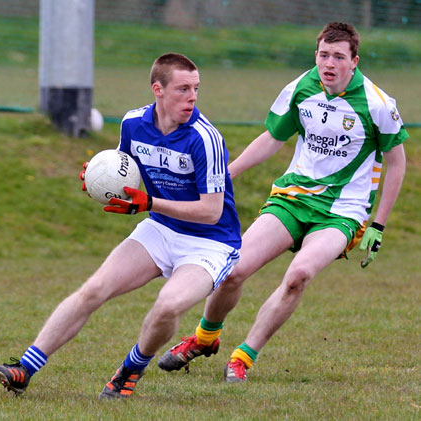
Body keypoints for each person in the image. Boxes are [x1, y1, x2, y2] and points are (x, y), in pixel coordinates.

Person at [158, 22, 408, 383]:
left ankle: (243, 356)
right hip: (292, 199)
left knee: (299, 276)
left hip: (342, 212)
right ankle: (204, 338)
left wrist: (378, 225)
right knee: (234, 270)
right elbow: (273, 139)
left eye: (339, 57)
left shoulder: (377, 104)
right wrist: (224, 175)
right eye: (323, 55)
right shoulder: (301, 88)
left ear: (354, 61)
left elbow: (397, 163)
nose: (329, 64)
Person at [0, 53, 241, 398]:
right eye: (183, 89)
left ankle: (130, 370)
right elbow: (125, 170)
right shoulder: (133, 124)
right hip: (160, 230)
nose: (192, 97)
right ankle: (25, 368)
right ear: (158, 89)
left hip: (211, 243)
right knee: (94, 290)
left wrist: (148, 202)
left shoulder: (204, 138)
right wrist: (100, 179)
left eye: (196, 88)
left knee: (167, 305)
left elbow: (211, 211)